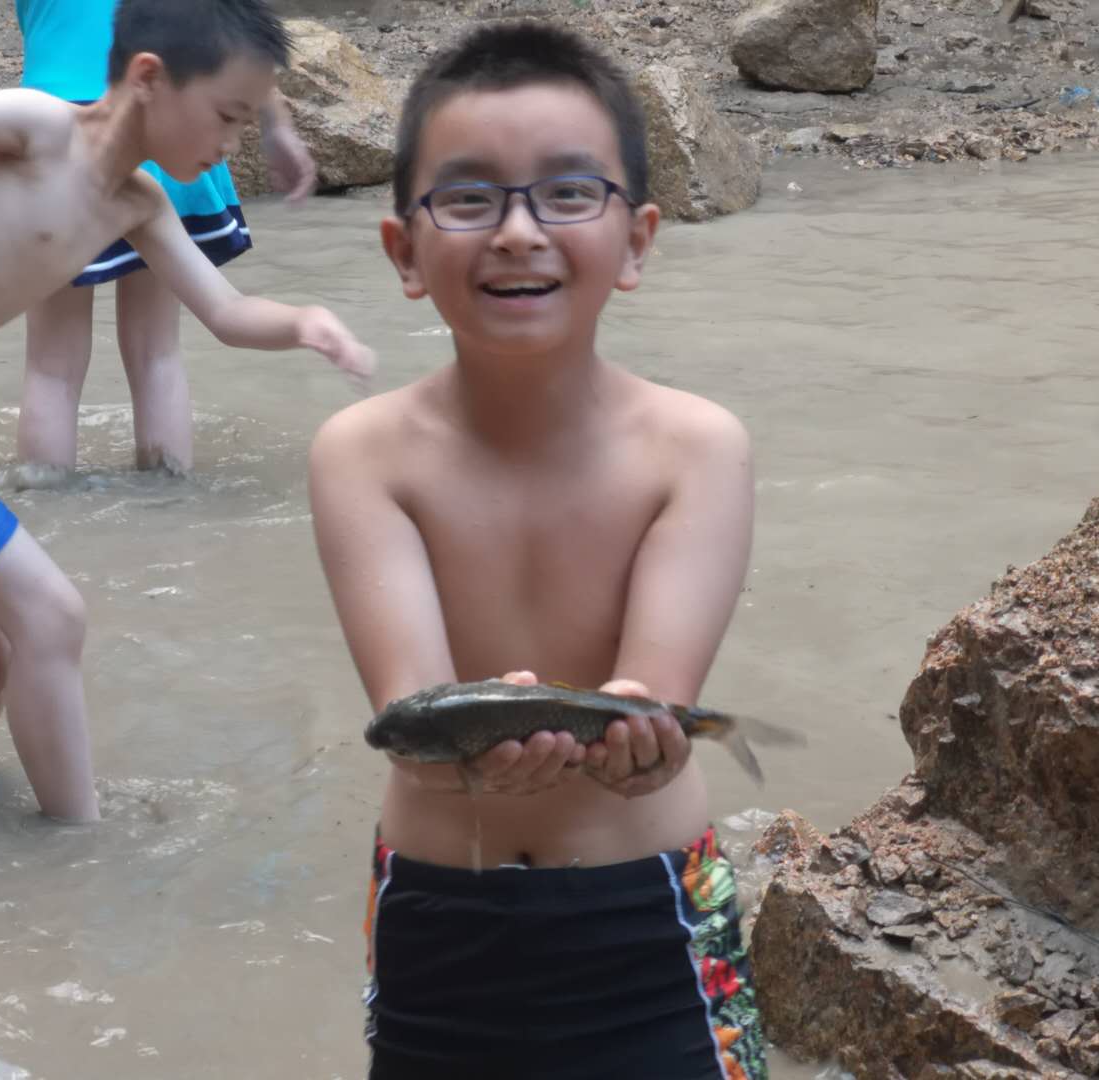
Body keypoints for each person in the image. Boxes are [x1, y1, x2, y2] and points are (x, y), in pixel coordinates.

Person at [0, 0, 373, 823]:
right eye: (228, 116)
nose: (232, 145)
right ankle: (78, 840)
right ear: (148, 78)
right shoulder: (40, 127)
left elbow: (226, 314)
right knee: (50, 616)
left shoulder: (139, 204)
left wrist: (305, 323)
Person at [308, 21, 765, 1080]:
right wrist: (462, 760)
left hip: (652, 904)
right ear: (404, 251)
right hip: (436, 908)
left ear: (638, 240)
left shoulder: (698, 447)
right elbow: (411, 717)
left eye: (567, 193)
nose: (519, 232)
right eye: (469, 199)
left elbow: (653, 691)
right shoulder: (362, 453)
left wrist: (642, 731)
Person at [0, 0, 319, 475]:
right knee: (157, 353)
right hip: (162, 119)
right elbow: (227, 24)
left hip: (57, 137)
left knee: (51, 365)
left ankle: (47, 500)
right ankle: (169, 500)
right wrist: (275, 124)